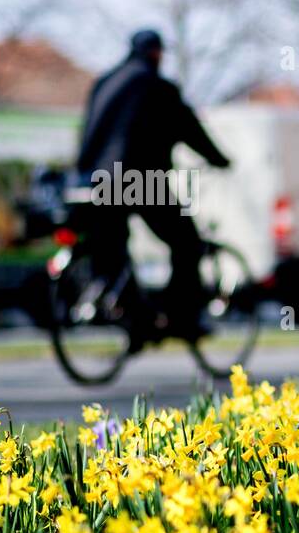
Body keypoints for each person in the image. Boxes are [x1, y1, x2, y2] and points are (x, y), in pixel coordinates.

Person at [75, 28, 230, 342]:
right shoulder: (158, 87)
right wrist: (220, 159)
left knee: (116, 248)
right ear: (157, 53)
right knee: (187, 241)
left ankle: (137, 322)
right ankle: (183, 319)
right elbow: (190, 129)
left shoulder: (104, 82)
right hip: (139, 180)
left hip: (97, 179)